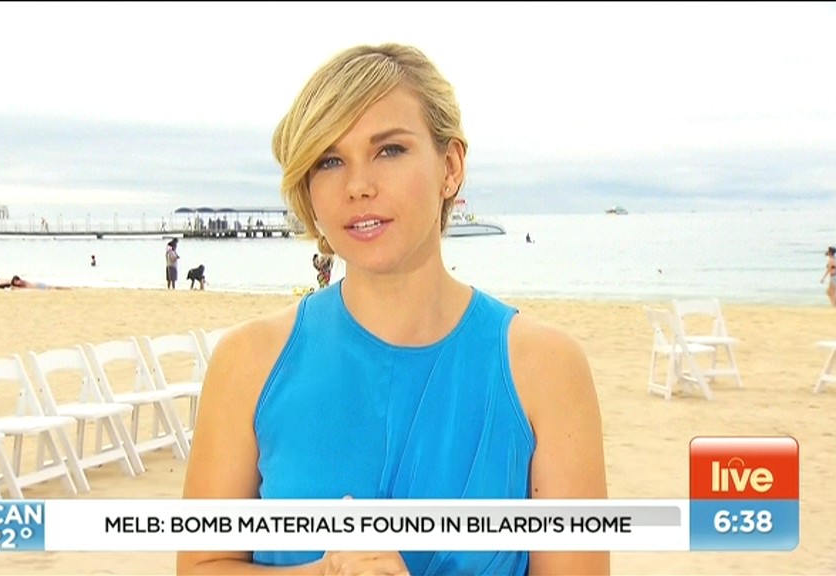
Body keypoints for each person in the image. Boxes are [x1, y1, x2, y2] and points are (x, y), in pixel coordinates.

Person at [177, 44, 608, 576]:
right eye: (329, 160)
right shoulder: (248, 362)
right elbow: (201, 564)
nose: (358, 186)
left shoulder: (547, 370)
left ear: (450, 167)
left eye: (389, 150)